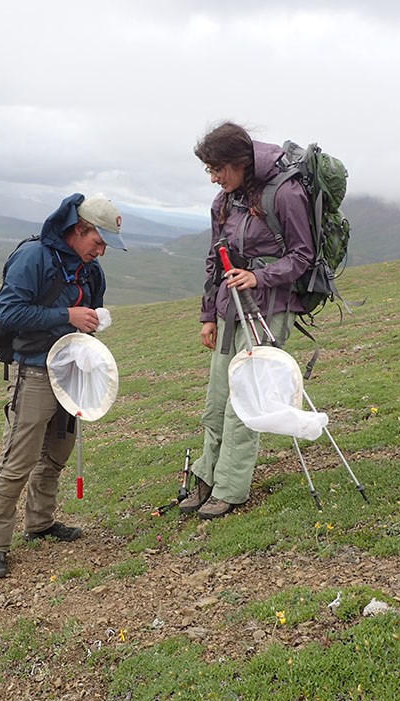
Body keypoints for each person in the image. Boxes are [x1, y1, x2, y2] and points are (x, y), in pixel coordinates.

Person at [0, 193, 126, 578]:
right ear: (78, 230)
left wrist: (93, 322)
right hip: (33, 370)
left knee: (58, 451)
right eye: (98, 242)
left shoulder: (91, 270)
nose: (102, 252)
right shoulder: (34, 258)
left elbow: (87, 317)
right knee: (19, 459)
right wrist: (67, 314)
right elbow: (9, 311)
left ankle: (40, 522)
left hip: (71, 370)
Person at [179, 121, 315, 519]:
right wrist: (208, 315)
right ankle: (205, 477)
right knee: (218, 397)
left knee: (245, 399)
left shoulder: (285, 193)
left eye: (218, 169)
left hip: (270, 308)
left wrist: (259, 275)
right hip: (230, 308)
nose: (214, 178)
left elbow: (301, 256)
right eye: (209, 170)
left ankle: (230, 488)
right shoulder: (224, 201)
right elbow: (213, 258)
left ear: (240, 162)